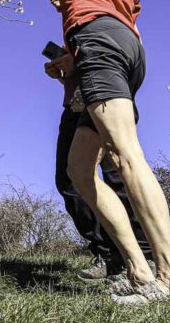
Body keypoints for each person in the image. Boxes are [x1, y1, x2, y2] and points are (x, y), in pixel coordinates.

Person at [1, 0, 170, 304]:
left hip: (99, 44)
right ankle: (139, 273)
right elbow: (117, 15)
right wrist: (73, 52)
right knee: (78, 169)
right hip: (127, 49)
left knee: (126, 156)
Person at [47, 48, 153, 283]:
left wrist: (74, 62)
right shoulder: (69, 24)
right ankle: (109, 254)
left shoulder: (92, 17)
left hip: (102, 92)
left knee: (117, 174)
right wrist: (65, 74)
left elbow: (116, 45)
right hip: (75, 101)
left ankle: (145, 256)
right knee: (69, 179)